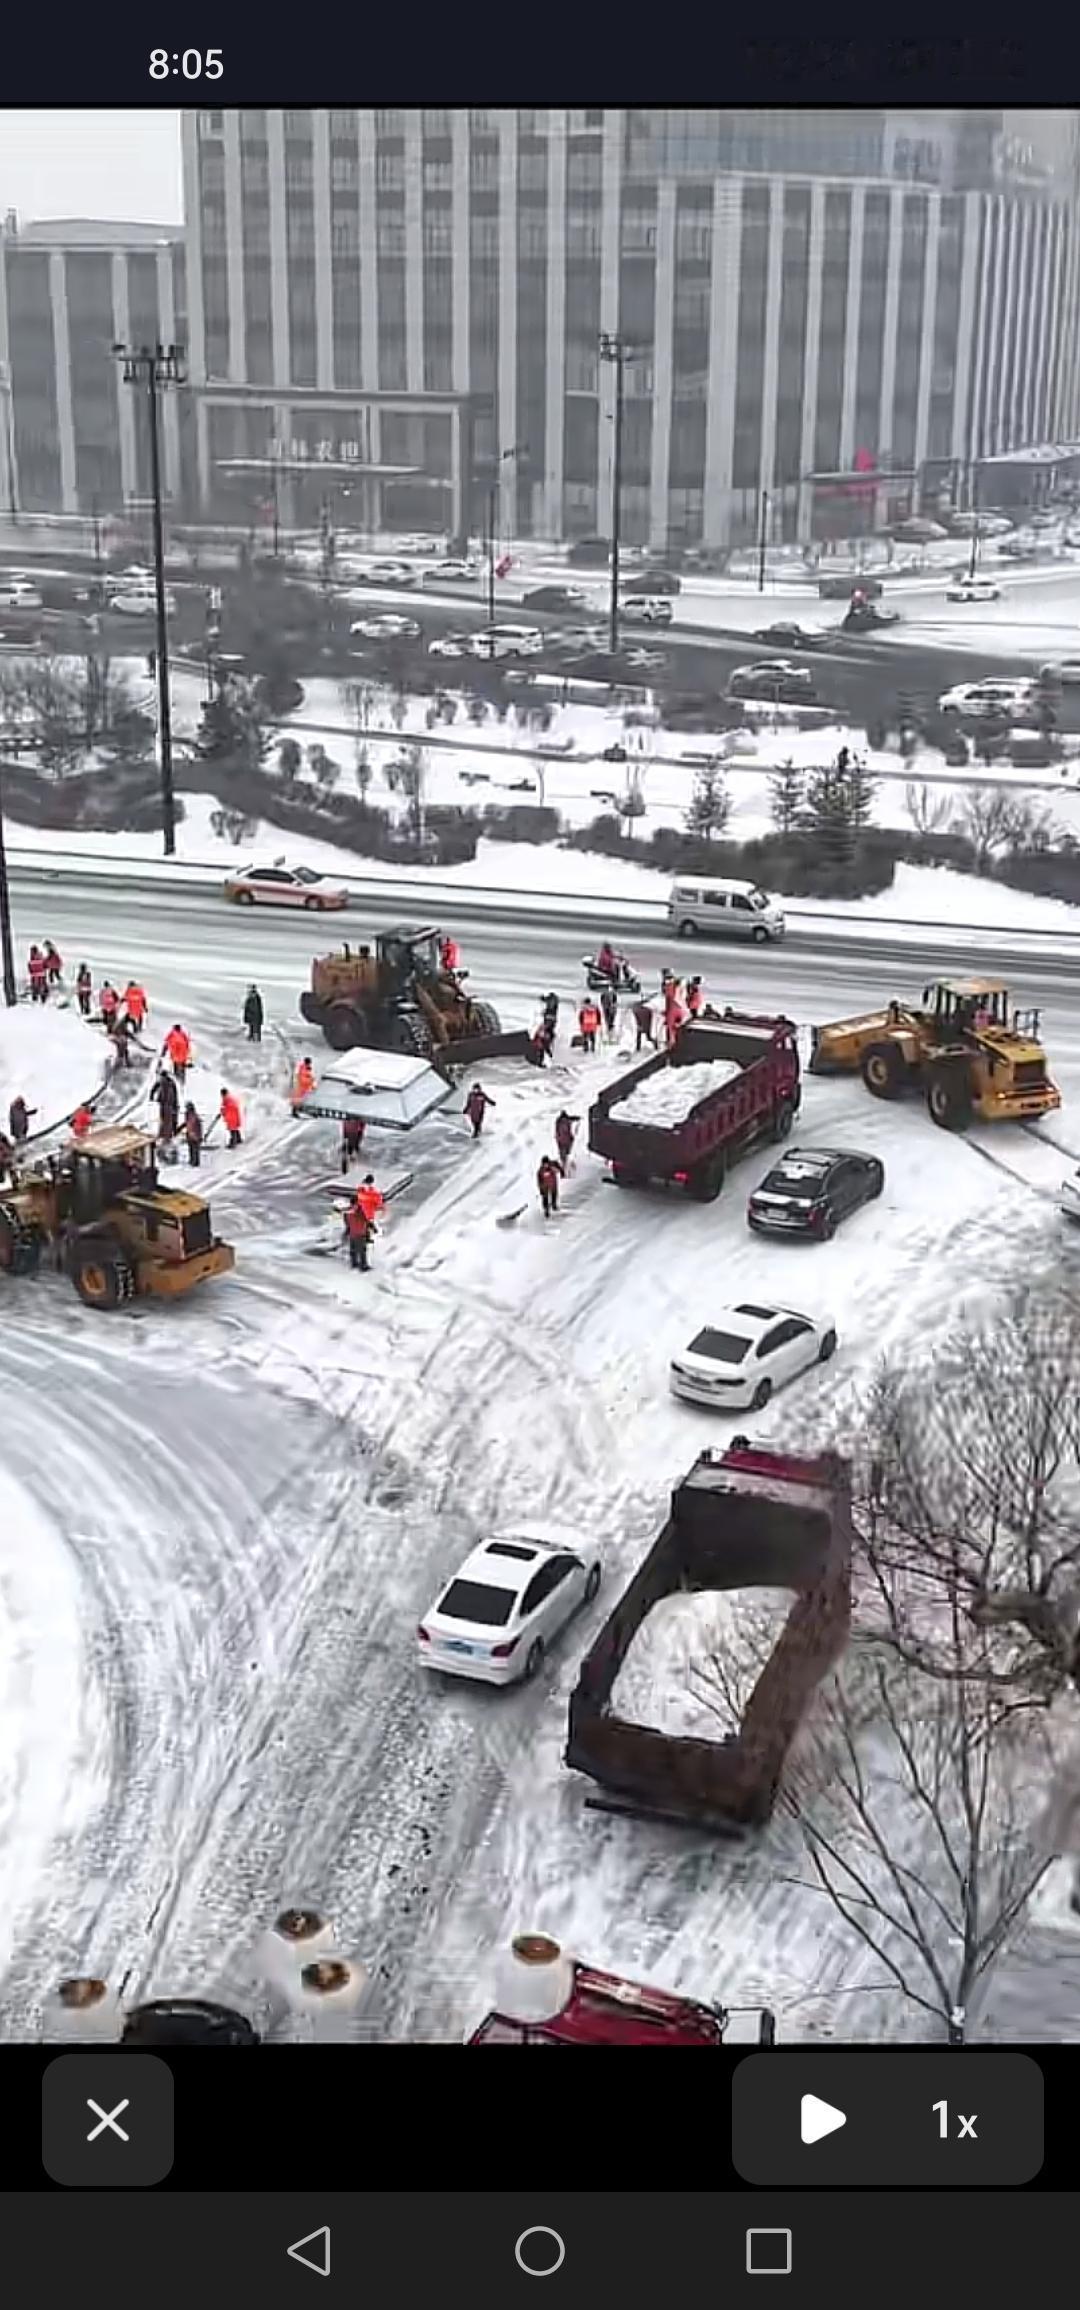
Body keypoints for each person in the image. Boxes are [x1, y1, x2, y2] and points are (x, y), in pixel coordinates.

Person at [150, 1068, 179, 1146]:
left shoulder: (168, 1082)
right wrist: (152, 1096)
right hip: (166, 1103)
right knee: (165, 1119)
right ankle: (165, 1135)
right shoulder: (169, 1082)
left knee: (166, 1119)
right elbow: (154, 1088)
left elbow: (154, 1088)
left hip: (167, 1103)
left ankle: (165, 1135)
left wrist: (152, 1096)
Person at [345, 1199, 375, 1271]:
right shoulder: (361, 1211)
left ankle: (354, 1264)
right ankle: (363, 1266)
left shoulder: (348, 1211)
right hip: (359, 1233)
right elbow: (367, 1220)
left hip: (353, 1233)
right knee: (361, 1250)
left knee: (354, 1250)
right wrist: (373, 1228)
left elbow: (347, 1222)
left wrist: (348, 1229)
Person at [554, 1110, 580, 1174]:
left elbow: (557, 1133)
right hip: (566, 1141)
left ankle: (565, 1169)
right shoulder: (567, 1121)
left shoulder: (559, 1122)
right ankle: (567, 1169)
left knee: (564, 1157)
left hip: (563, 1142)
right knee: (567, 1155)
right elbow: (572, 1119)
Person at [183, 1102, 204, 1168]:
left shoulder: (193, 1116)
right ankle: (193, 1161)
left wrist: (198, 1136)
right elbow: (187, 1124)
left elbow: (194, 1125)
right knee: (192, 1148)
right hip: (191, 1134)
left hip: (194, 1135)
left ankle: (195, 1162)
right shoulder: (189, 1115)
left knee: (194, 1148)